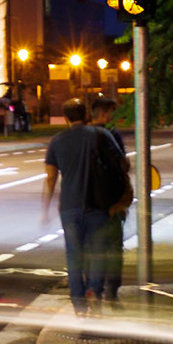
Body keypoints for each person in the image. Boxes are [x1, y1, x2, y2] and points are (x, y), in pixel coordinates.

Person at [41, 98, 132, 313]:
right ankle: (94, 291)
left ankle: (78, 302)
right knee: (99, 252)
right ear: (87, 116)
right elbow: (122, 164)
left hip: (70, 207)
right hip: (99, 206)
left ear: (65, 118)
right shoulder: (102, 135)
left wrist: (45, 209)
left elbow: (51, 177)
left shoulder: (57, 141)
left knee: (74, 255)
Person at [90, 94, 129, 302]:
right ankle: (111, 291)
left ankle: (93, 289)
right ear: (104, 114)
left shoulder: (82, 136)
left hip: (87, 204)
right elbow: (123, 166)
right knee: (113, 248)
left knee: (92, 248)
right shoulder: (111, 136)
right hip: (112, 203)